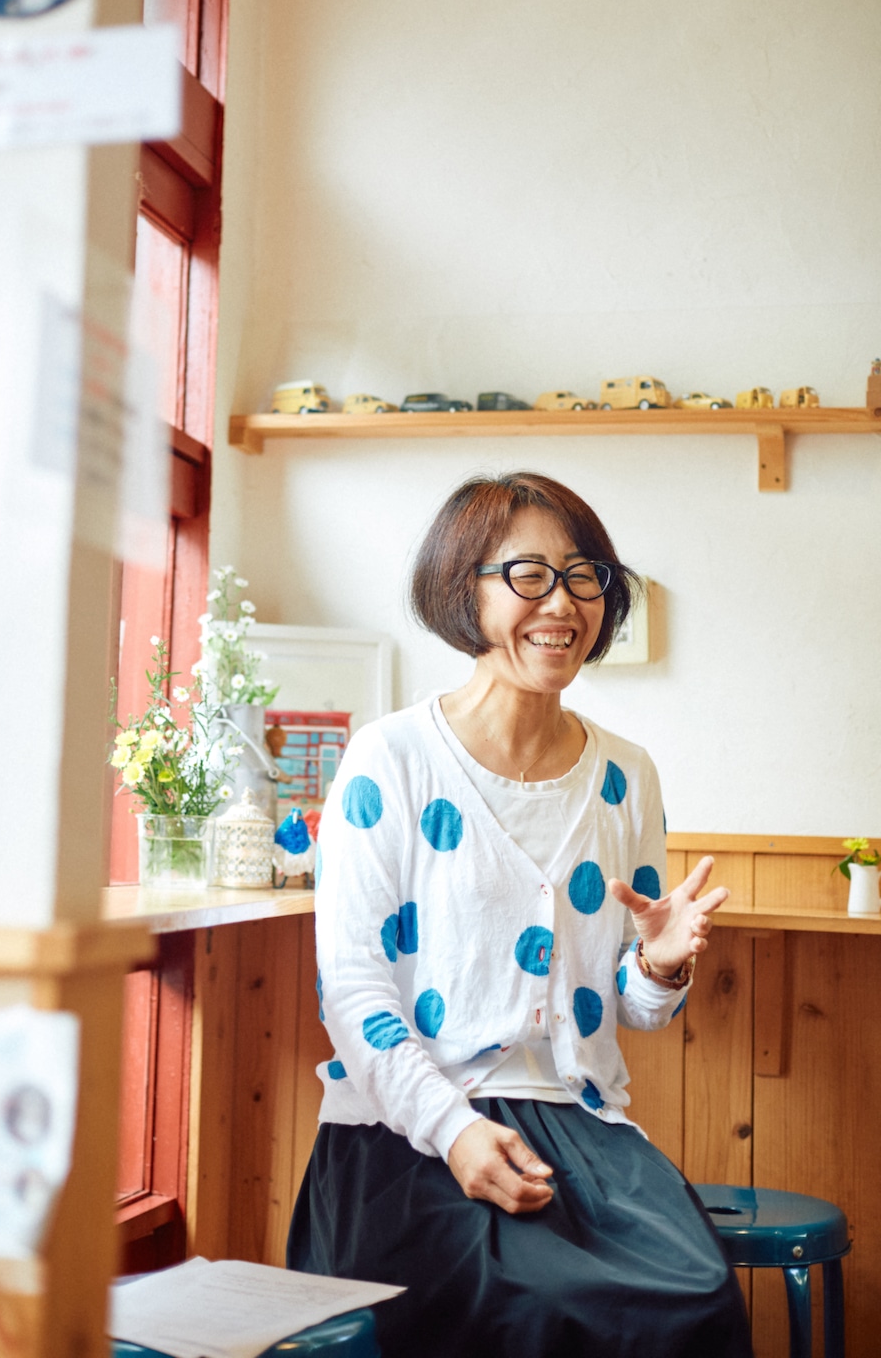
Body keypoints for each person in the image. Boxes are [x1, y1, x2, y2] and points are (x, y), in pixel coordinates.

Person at [288, 472, 752, 1357]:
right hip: (412, 1129)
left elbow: (634, 1010)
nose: (563, 603)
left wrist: (657, 964)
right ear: (464, 587)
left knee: (694, 1304)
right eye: (528, 575)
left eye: (585, 577)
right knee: (532, 1308)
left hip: (583, 1123)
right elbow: (352, 992)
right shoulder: (389, 761)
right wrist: (455, 1132)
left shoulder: (627, 775)